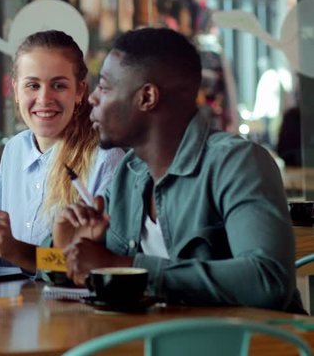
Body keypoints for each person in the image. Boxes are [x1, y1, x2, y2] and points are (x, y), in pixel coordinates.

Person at [53, 28, 303, 312]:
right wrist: (66, 250)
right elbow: (79, 275)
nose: (92, 99)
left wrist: (128, 267)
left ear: (147, 97)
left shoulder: (237, 163)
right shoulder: (129, 172)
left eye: (105, 87)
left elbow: (268, 281)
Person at [0, 30, 124, 270]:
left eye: (59, 85)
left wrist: (19, 252)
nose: (44, 98)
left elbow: (101, 264)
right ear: (15, 91)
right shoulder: (14, 150)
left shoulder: (105, 159)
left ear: (80, 91)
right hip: (14, 301)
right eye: (32, 85)